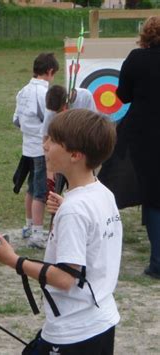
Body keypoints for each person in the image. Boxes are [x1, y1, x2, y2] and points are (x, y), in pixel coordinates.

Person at [0, 109, 121, 354]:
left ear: (76, 155)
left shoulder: (75, 209)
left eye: (53, 141)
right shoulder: (102, 193)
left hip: (74, 332)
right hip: (100, 321)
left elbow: (65, 278)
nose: (44, 145)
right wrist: (67, 207)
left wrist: (14, 261)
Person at [116, 16, 160, 280]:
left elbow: (124, 95)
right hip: (146, 135)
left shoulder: (136, 58)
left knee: (154, 196)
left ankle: (158, 263)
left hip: (145, 137)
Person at [12, 53, 59, 248]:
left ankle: (29, 226)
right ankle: (37, 234)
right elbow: (49, 122)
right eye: (54, 74)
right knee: (40, 191)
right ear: (49, 72)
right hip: (41, 149)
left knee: (32, 187)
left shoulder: (23, 91)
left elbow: (16, 120)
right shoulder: (44, 93)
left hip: (28, 148)